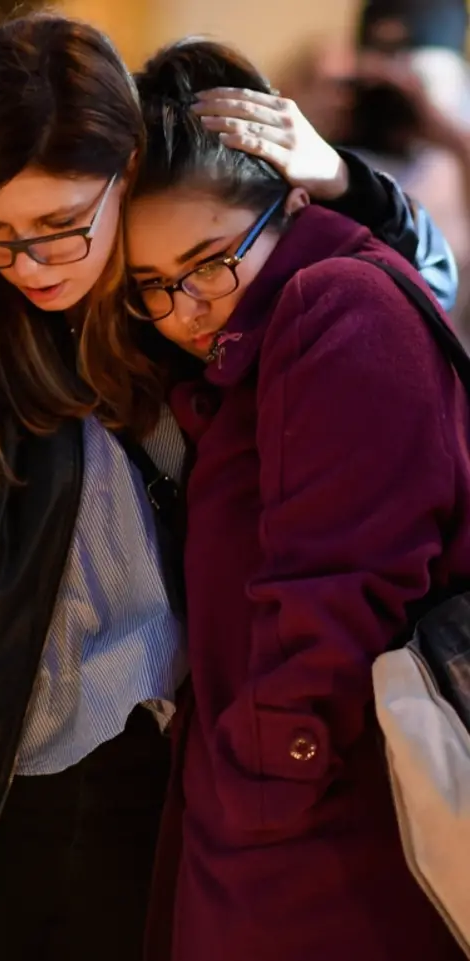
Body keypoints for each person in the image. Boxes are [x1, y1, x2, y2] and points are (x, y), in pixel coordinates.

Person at [0, 12, 459, 961]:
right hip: (15, 794)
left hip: (178, 775)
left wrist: (339, 181)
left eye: (61, 226)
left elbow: (420, 290)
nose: (32, 264)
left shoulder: (173, 313)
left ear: (127, 180)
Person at [119, 38, 470, 961]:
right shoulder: (246, 337)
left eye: (208, 260)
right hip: (281, 819)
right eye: (152, 285)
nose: (189, 307)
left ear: (293, 208)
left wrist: (260, 788)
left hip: (330, 839)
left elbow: (342, 585)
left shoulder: (336, 306)